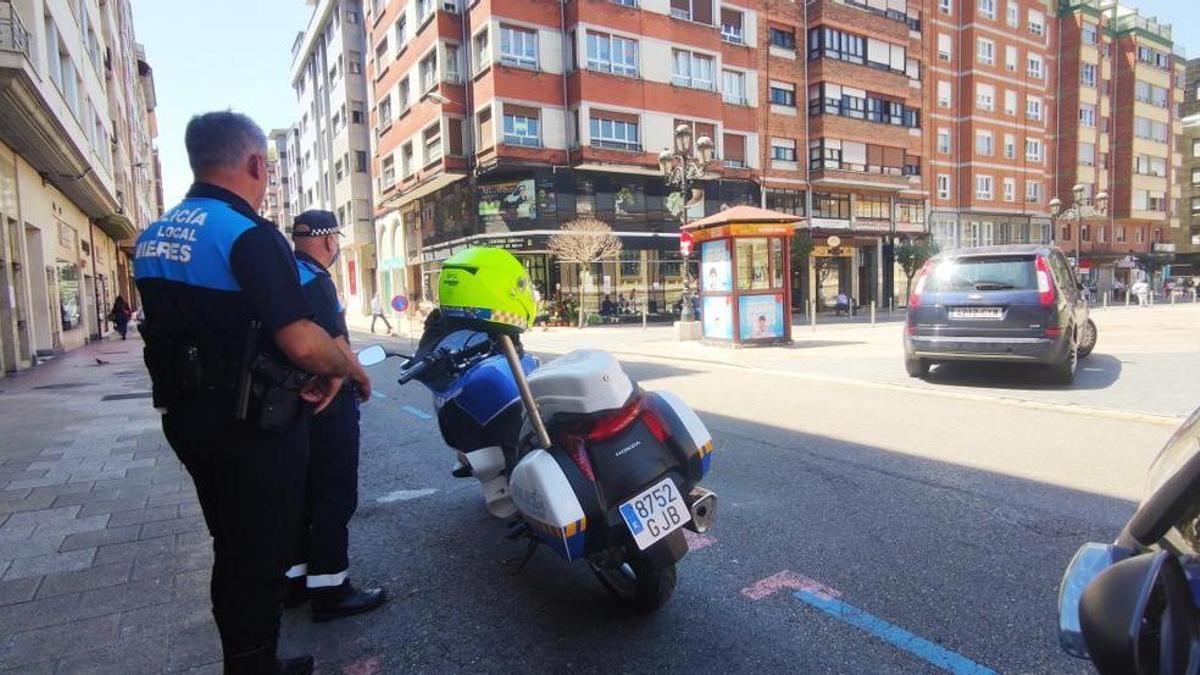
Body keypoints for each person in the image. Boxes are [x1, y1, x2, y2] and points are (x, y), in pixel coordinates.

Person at [134, 111, 361, 675]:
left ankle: (249, 658)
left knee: (232, 542)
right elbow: (305, 343)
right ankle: (254, 665)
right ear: (257, 163)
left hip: (187, 417)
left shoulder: (153, 237)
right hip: (252, 423)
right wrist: (347, 371)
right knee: (258, 552)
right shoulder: (247, 235)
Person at [285, 210, 386, 621]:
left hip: (290, 402)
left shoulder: (282, 272)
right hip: (326, 403)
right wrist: (361, 379)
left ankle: (293, 582)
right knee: (334, 492)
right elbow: (337, 344)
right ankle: (331, 589)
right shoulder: (315, 278)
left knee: (301, 493)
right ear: (329, 241)